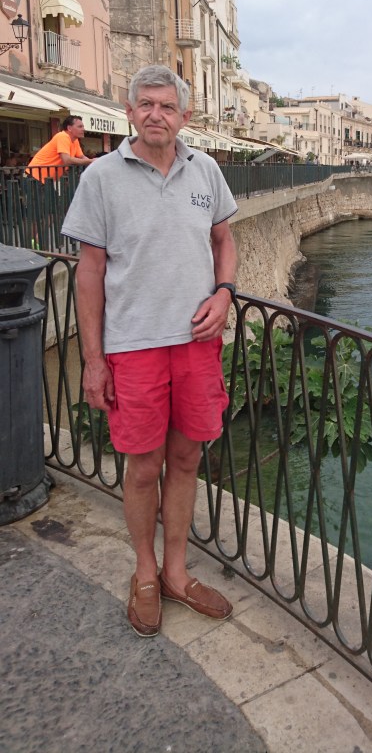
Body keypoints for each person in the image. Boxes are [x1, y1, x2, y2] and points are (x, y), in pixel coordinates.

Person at [61, 66, 238, 637]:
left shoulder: (205, 169)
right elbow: (89, 273)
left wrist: (226, 292)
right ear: (129, 111)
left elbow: (224, 240)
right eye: (146, 104)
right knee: (143, 468)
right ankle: (144, 572)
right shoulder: (102, 179)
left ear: (185, 116)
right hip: (133, 347)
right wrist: (93, 360)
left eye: (167, 105)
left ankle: (177, 574)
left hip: (196, 344)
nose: (156, 114)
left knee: (186, 460)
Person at [27, 115, 94, 181]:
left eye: (83, 127)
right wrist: (90, 161)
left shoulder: (75, 140)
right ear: (69, 128)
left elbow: (82, 157)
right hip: (35, 176)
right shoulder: (62, 136)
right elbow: (66, 160)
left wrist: (95, 162)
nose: (83, 129)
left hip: (45, 178)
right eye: (80, 127)